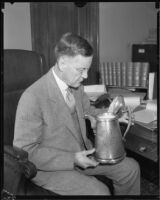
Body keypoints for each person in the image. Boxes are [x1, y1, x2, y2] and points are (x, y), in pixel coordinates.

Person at [13, 32, 140, 195]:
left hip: (84, 154)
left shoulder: (76, 87)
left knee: (130, 168)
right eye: (81, 70)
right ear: (62, 63)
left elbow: (89, 111)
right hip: (51, 167)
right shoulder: (33, 97)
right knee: (99, 192)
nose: (85, 76)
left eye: (87, 69)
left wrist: (113, 116)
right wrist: (72, 159)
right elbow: (26, 152)